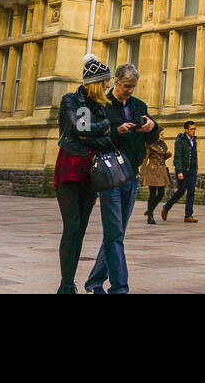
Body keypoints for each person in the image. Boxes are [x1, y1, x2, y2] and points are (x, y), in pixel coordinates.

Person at [85, 62, 157, 294]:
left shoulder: (139, 105)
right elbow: (90, 133)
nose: (130, 90)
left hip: (131, 175)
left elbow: (154, 131)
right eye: (126, 86)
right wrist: (117, 130)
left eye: (133, 86)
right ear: (115, 82)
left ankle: (95, 281)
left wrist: (151, 126)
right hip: (109, 174)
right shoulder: (100, 105)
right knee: (114, 232)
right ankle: (119, 288)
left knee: (117, 232)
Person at [55, 54, 116, 295]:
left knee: (80, 229)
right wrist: (101, 128)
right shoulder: (70, 99)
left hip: (92, 169)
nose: (108, 86)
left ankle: (69, 282)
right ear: (96, 83)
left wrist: (94, 132)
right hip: (70, 165)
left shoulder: (103, 107)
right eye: (105, 83)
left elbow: (106, 140)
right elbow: (78, 128)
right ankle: (66, 285)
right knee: (71, 226)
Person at [161, 120, 199, 222]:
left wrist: (196, 169)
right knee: (181, 191)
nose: (193, 131)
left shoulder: (194, 140)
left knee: (191, 192)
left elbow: (195, 156)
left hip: (192, 170)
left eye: (194, 129)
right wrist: (179, 171)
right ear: (186, 130)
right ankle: (166, 207)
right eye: (191, 129)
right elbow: (178, 157)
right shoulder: (180, 140)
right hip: (183, 170)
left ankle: (188, 215)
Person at [141, 134, 170, 224]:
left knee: (161, 193)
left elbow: (162, 158)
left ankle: (150, 210)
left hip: (161, 170)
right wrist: (142, 174)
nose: (163, 136)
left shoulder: (162, 145)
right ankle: (150, 217)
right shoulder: (150, 145)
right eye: (161, 134)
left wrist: (168, 155)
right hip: (152, 170)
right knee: (152, 194)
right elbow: (145, 159)